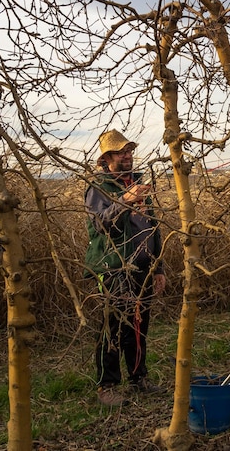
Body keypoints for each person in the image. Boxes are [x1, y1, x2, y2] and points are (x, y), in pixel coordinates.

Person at [84, 129, 167, 407]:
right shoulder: (98, 189)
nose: (127, 155)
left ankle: (139, 378)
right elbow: (101, 225)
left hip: (143, 268)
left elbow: (153, 228)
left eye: (129, 150)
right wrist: (125, 201)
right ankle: (106, 387)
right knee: (114, 327)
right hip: (114, 268)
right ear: (107, 158)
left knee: (139, 326)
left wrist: (159, 267)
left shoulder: (139, 183)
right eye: (121, 152)